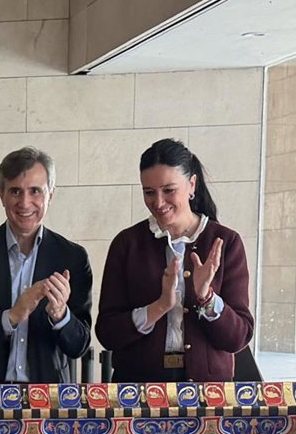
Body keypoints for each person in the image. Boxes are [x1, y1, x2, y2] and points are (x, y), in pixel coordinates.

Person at [95, 138, 253, 382]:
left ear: (192, 185)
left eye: (169, 190)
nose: (158, 203)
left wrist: (206, 297)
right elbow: (107, 333)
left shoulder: (225, 242)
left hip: (206, 392)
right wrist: (159, 307)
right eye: (149, 192)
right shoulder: (127, 244)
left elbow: (238, 337)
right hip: (137, 389)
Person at [0, 147, 92, 383]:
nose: (25, 202)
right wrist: (11, 316)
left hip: (48, 398)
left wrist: (61, 315)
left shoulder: (72, 257)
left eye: (35, 191)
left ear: (50, 195)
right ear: (1, 195)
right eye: (15, 191)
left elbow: (79, 346)